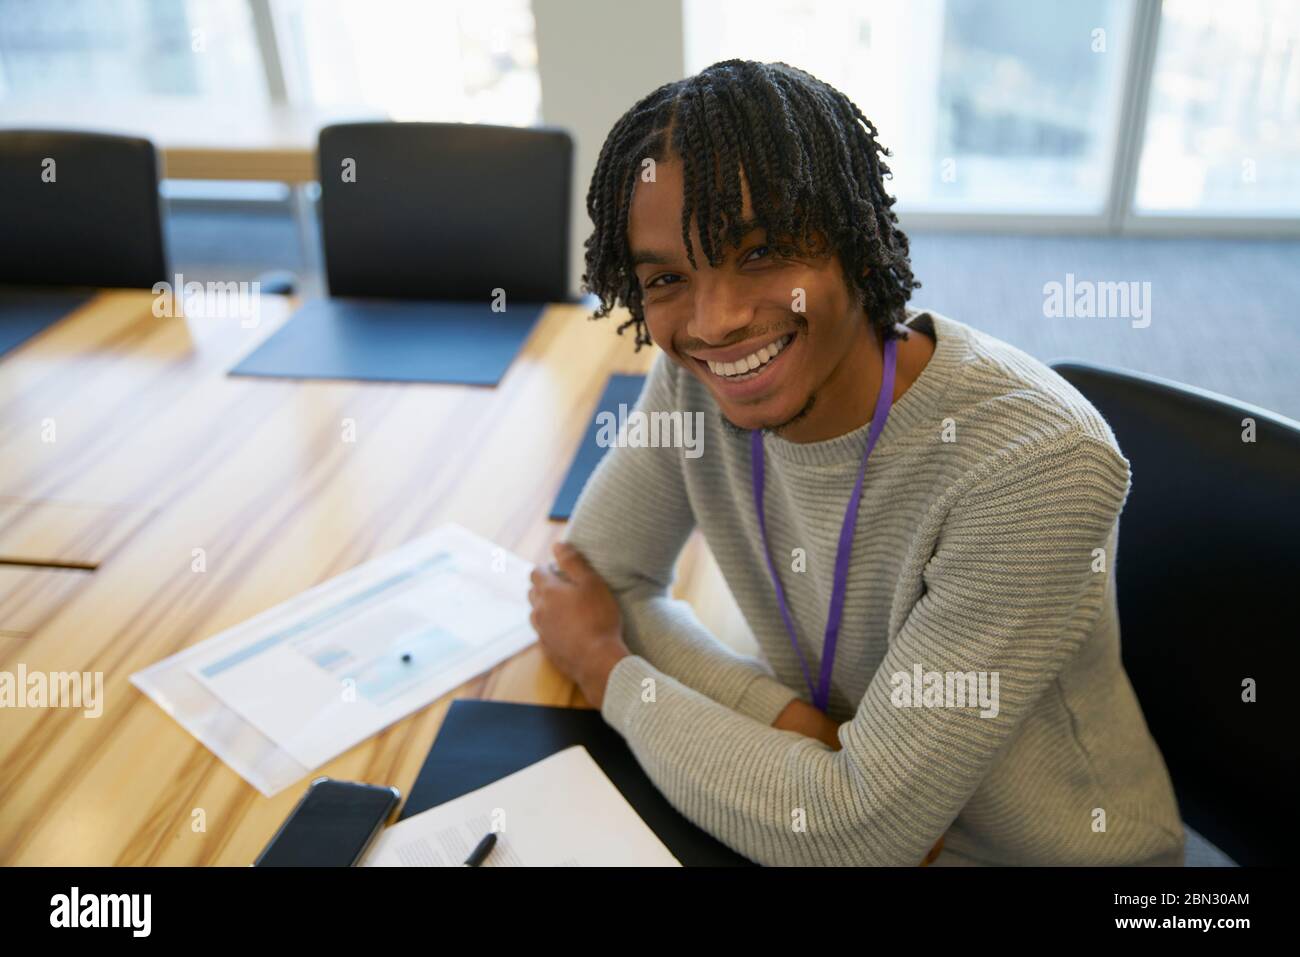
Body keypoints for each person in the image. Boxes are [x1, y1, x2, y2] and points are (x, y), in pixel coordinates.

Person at [527, 59, 1184, 866]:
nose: (715, 321)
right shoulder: (698, 377)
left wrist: (609, 668)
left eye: (760, 252)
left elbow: (859, 835)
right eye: (668, 277)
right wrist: (794, 726)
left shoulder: (1036, 465)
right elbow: (593, 580)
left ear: (854, 238)